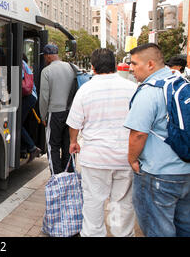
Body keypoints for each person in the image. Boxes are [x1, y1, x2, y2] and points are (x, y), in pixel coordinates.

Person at [67, 48, 137, 237]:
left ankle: (93, 234)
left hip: (95, 158)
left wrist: (73, 141)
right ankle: (120, 233)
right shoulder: (132, 88)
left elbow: (74, 123)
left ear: (92, 67)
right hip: (125, 156)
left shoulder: (85, 90)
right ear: (115, 65)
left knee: (93, 201)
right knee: (121, 202)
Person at [124, 43, 190, 237]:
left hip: (159, 174)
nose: (131, 68)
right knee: (184, 226)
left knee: (158, 229)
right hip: (185, 171)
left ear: (150, 64)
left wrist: (132, 159)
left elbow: (138, 134)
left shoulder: (150, 91)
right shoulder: (181, 83)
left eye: (135, 64)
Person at [39, 43, 75, 174]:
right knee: (68, 145)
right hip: (71, 113)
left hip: (54, 113)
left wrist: (43, 116)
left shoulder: (46, 71)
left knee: (52, 146)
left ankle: (57, 177)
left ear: (48, 56)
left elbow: (44, 97)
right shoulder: (71, 67)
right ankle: (69, 174)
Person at [21, 53, 42, 163]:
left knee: (17, 124)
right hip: (31, 97)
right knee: (23, 123)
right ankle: (23, 149)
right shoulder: (25, 64)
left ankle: (32, 148)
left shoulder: (20, 63)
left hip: (28, 97)